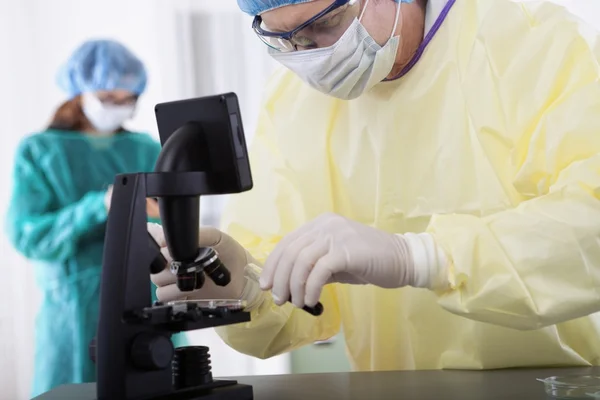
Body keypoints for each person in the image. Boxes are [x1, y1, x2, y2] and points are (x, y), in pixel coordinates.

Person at [149, 0, 600, 372]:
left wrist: (423, 258)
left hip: (549, 383)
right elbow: (299, 306)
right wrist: (244, 288)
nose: (313, 55)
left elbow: (590, 222)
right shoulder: (290, 105)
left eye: (325, 24)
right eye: (287, 40)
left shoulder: (529, 42)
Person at [6, 39, 184, 398]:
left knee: (157, 385)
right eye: (107, 98)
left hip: (147, 301)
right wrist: (100, 206)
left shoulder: (145, 148)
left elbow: (172, 229)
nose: (117, 107)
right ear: (79, 92)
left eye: (126, 99)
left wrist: (161, 214)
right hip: (73, 310)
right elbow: (29, 236)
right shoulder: (40, 151)